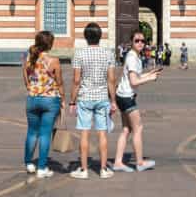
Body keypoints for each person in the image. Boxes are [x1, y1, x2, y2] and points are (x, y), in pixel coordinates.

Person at [68, 22, 117, 179]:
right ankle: (103, 169)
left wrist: (72, 101)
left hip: (85, 98)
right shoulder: (108, 53)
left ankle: (83, 170)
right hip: (102, 97)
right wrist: (113, 100)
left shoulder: (79, 54)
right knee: (102, 133)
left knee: (84, 133)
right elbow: (111, 79)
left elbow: (76, 80)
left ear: (86, 37)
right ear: (100, 36)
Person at [110, 29, 160, 172]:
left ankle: (118, 162)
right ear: (131, 42)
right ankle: (139, 162)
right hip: (127, 97)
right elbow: (133, 81)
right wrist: (149, 79)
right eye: (136, 40)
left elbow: (135, 76)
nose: (140, 43)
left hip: (122, 95)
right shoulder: (132, 57)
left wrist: (148, 73)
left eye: (142, 41)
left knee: (126, 129)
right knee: (138, 128)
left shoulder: (135, 56)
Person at [21, 30, 63, 177]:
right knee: (45, 134)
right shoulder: (54, 61)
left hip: (32, 99)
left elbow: (26, 80)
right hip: (50, 100)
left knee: (32, 132)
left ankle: (29, 163)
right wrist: (63, 99)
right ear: (50, 44)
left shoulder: (29, 59)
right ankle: (42, 168)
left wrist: (33, 90)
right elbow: (59, 83)